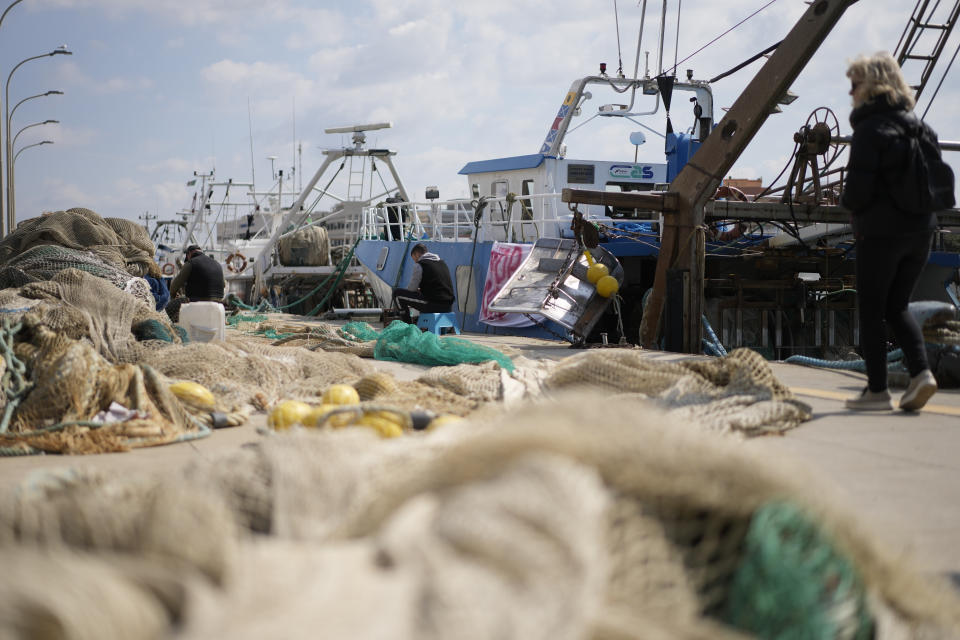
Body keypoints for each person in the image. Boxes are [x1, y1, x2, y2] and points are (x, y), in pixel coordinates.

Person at [841, 52, 938, 411]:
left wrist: (849, 204)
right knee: (898, 307)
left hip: (880, 234)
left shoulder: (869, 129)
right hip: (922, 232)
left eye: (855, 84)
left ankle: (877, 392)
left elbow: (856, 193)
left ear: (873, 86)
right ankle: (921, 374)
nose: (851, 92)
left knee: (871, 308)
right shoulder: (920, 126)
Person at [392, 243, 455, 323]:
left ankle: (408, 325)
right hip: (448, 306)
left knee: (397, 294)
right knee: (422, 297)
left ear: (417, 254)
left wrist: (415, 291)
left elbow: (411, 289)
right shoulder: (442, 263)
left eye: (414, 259)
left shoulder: (420, 265)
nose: (415, 261)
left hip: (434, 305)